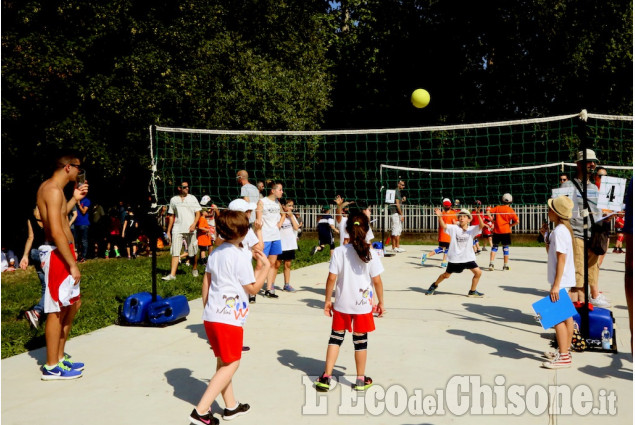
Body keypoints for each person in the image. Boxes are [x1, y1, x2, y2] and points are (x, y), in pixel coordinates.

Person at [188, 210, 271, 425]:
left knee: (223, 361)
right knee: (232, 363)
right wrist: (266, 268)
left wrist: (208, 309)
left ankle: (231, 407)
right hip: (229, 319)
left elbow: (206, 282)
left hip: (212, 315)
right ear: (244, 232)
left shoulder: (215, 253)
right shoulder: (238, 257)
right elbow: (252, 288)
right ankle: (201, 411)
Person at [314, 211, 385, 392]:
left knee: (335, 339)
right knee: (360, 341)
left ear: (346, 230)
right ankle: (360, 379)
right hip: (362, 305)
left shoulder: (339, 251)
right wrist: (381, 302)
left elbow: (331, 278)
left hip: (342, 304)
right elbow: (377, 281)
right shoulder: (371, 253)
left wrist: (327, 301)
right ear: (367, 230)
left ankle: (326, 377)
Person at [36, 152, 88, 380]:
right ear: (68, 167)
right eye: (78, 168)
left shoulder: (55, 191)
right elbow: (56, 231)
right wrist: (72, 263)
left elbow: (60, 217)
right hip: (57, 254)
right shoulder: (52, 189)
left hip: (63, 253)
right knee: (57, 309)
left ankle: (59, 356)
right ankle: (51, 365)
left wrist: (74, 199)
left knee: (72, 305)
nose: (79, 172)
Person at [561, 149, 609, 307]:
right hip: (576, 236)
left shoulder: (595, 189)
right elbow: (559, 212)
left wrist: (609, 215)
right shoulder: (567, 186)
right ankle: (560, 316)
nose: (593, 164)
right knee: (577, 280)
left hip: (593, 237)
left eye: (594, 161)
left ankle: (576, 314)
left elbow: (598, 213)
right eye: (589, 161)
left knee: (589, 277)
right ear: (578, 164)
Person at [540, 196, 576, 369]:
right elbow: (552, 253)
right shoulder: (560, 230)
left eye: (550, 208)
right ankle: (565, 351)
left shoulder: (560, 231)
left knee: (557, 319)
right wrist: (545, 237)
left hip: (560, 281)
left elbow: (561, 259)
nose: (548, 210)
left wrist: (555, 285)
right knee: (567, 317)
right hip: (564, 280)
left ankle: (563, 357)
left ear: (556, 212)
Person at [425, 208, 485, 297]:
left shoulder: (472, 229)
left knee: (478, 272)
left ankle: (472, 291)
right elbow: (444, 226)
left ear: (469, 219)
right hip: (455, 258)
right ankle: (434, 285)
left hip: (468, 258)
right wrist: (440, 217)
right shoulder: (454, 228)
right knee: (446, 275)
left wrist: (478, 214)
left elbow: (481, 225)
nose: (461, 218)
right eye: (460, 216)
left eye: (464, 216)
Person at [227, 198, 263, 304]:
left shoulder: (225, 229)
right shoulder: (246, 230)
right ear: (242, 214)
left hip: (229, 268)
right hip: (242, 268)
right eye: (248, 211)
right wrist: (259, 231)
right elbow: (259, 247)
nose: (250, 213)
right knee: (240, 301)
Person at [163, 181, 201, 280]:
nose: (187, 189)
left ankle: (194, 268)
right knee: (175, 251)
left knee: (193, 251)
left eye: (188, 187)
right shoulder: (174, 200)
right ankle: (172, 275)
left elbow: (198, 213)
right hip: (177, 228)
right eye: (185, 187)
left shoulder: (192, 198)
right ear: (179, 188)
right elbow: (171, 216)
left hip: (191, 229)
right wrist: (168, 231)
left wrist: (194, 224)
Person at [256, 180, 284, 298]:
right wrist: (259, 237)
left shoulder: (278, 203)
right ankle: (253, 291)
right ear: (273, 190)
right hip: (265, 237)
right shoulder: (262, 202)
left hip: (275, 237)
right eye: (280, 190)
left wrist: (279, 224)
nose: (282, 192)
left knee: (273, 264)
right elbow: (258, 221)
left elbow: (284, 214)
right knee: (260, 264)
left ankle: (269, 289)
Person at [21, 206, 48, 328]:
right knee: (52, 286)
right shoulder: (49, 217)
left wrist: (25, 256)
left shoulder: (31, 219)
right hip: (46, 253)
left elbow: (30, 237)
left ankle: (42, 313)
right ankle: (37, 311)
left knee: (45, 285)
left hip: (34, 253)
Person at [273, 199, 301, 292]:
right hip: (280, 244)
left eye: (292, 206)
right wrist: (283, 215)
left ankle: (287, 285)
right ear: (283, 206)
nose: (291, 208)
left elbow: (296, 228)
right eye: (289, 205)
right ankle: (271, 284)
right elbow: (278, 227)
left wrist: (291, 216)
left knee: (288, 264)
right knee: (276, 264)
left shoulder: (291, 217)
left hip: (290, 244)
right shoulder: (278, 216)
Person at [487, 193, 519, 271]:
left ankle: (491, 263)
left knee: (494, 247)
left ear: (502, 200)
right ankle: (505, 265)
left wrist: (492, 219)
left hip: (497, 231)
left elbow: (488, 211)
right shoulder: (510, 210)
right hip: (506, 231)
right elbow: (517, 221)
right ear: (511, 201)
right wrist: (510, 225)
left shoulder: (497, 208)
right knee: (505, 248)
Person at [421, 198, 456, 268]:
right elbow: (454, 223)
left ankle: (427, 255)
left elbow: (440, 223)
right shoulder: (452, 213)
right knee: (447, 249)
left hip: (442, 234)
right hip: (448, 234)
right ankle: (444, 262)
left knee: (441, 248)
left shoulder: (441, 213)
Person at [388, 180, 406, 252]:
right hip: (395, 213)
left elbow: (397, 202)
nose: (403, 186)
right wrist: (401, 214)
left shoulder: (398, 192)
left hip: (396, 213)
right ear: (398, 184)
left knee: (398, 230)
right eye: (402, 185)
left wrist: (402, 200)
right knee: (395, 229)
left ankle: (397, 247)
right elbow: (397, 204)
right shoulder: (396, 191)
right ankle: (394, 247)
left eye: (403, 185)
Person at [74, 197, 91, 262]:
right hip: (76, 224)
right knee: (76, 241)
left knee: (84, 241)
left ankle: (84, 257)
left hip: (84, 224)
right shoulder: (75, 201)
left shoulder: (86, 200)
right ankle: (78, 256)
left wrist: (78, 204)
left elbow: (84, 211)